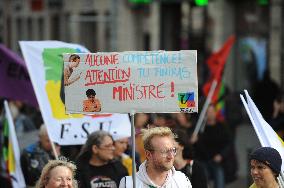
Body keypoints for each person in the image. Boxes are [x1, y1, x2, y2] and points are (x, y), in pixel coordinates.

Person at [119, 127, 192, 188]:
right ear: (148, 154)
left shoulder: (182, 180)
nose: (171, 156)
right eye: (164, 151)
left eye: (173, 150)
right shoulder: (128, 184)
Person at [193, 104, 232, 188]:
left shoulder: (222, 127)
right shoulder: (200, 128)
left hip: (217, 161)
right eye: (207, 112)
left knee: (219, 183)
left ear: (215, 112)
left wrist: (221, 155)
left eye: (211, 111)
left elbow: (228, 144)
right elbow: (197, 148)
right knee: (204, 183)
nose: (210, 114)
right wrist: (194, 141)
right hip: (203, 161)